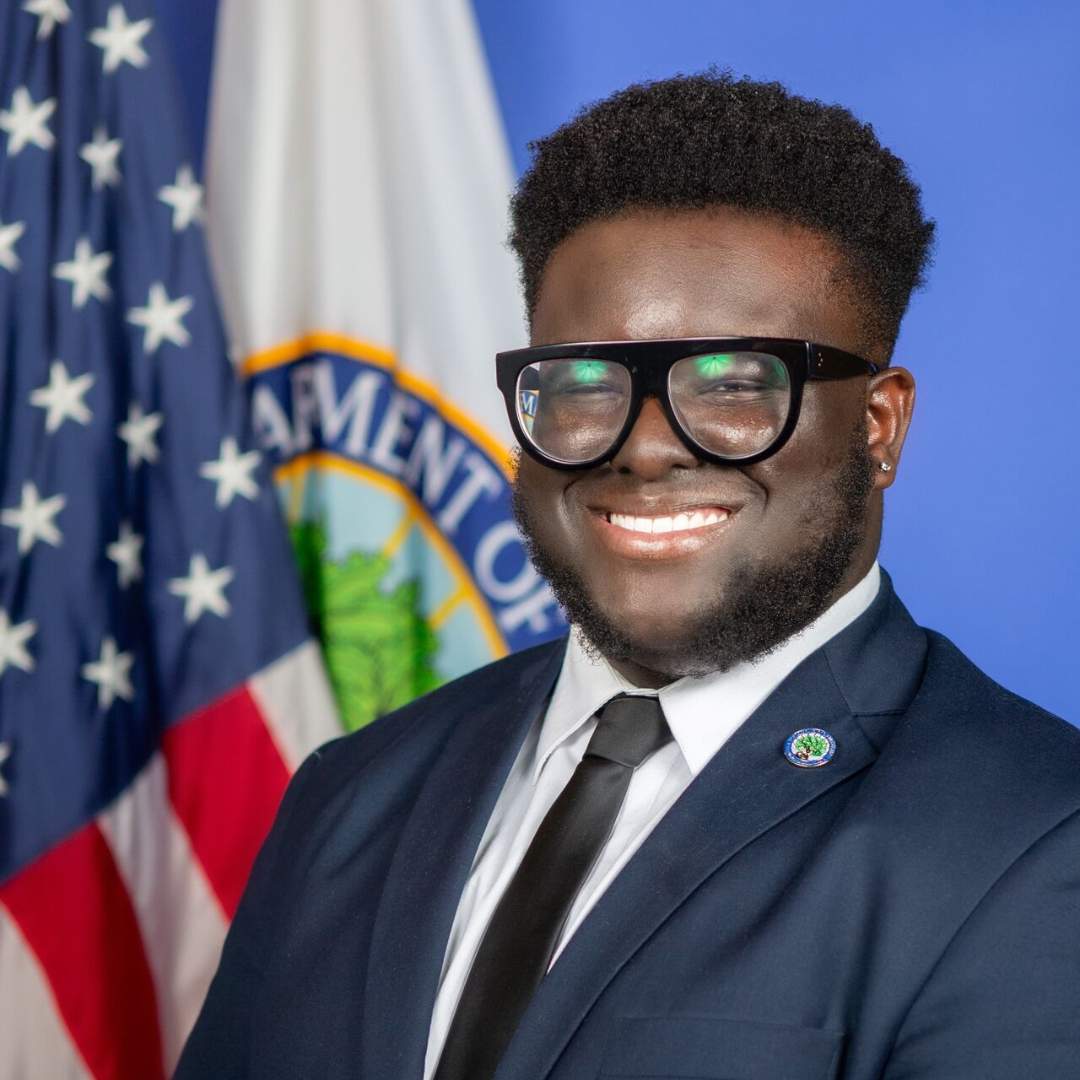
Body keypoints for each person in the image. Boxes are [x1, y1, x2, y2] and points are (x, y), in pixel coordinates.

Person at [177, 72, 1080, 1080]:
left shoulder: (1039, 842)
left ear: (879, 425)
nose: (644, 448)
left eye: (735, 385)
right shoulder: (351, 793)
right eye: (582, 384)